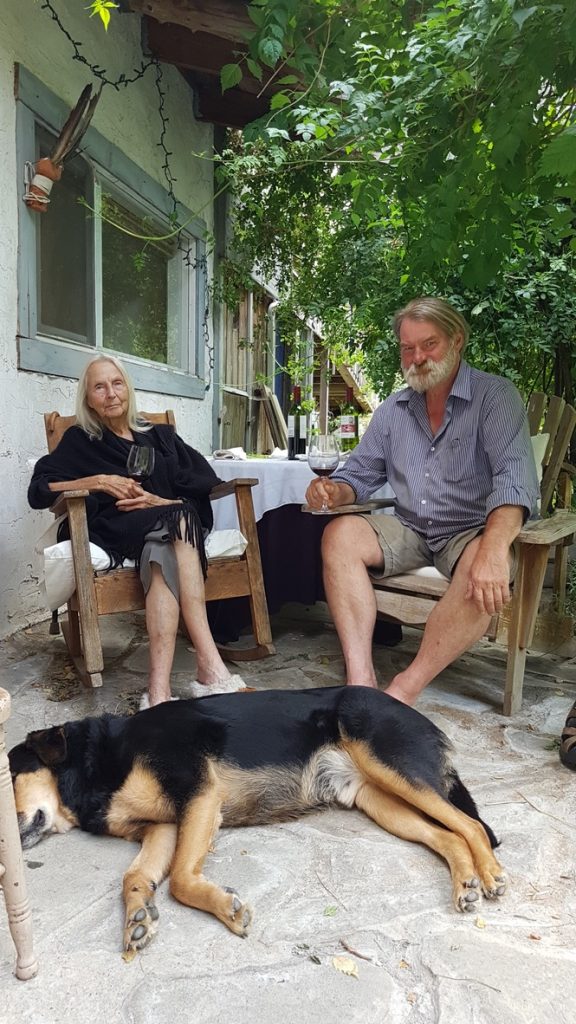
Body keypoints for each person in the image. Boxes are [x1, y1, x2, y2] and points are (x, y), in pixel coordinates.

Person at [305, 296, 540, 706]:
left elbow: (514, 480)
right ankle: (360, 679)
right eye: (407, 348)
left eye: (428, 344)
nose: (417, 357)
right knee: (338, 534)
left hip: (469, 529)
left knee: (480, 561)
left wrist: (495, 548)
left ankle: (403, 690)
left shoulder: (494, 397)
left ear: (456, 341)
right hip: (411, 527)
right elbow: (358, 474)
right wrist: (334, 490)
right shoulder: (394, 410)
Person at [29, 354, 245, 708]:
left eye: (116, 384)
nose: (110, 393)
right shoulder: (81, 440)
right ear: (88, 398)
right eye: (99, 387)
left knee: (165, 541)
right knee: (180, 518)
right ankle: (211, 665)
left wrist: (159, 500)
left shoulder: (158, 436)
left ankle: (157, 693)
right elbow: (39, 489)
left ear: (127, 389)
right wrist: (96, 480)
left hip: (161, 523)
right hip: (113, 525)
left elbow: (203, 478)